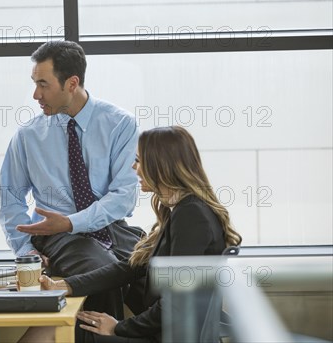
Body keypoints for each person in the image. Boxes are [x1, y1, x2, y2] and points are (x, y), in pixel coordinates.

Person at [27, 126, 243, 343]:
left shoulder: (191, 216)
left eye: (139, 160)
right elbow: (130, 267)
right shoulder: (183, 211)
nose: (134, 167)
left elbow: (175, 303)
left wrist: (119, 328)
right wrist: (66, 285)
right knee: (51, 328)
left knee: (50, 332)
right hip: (164, 334)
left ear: (160, 164)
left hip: (167, 338)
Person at [0, 41, 144, 317]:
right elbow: (11, 199)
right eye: (34, 83)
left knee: (160, 278)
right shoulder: (28, 136)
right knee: (103, 278)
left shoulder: (120, 124)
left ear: (72, 83)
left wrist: (74, 221)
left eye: (43, 84)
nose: (35, 94)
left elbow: (124, 196)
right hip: (57, 234)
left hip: (112, 227)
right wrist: (26, 248)